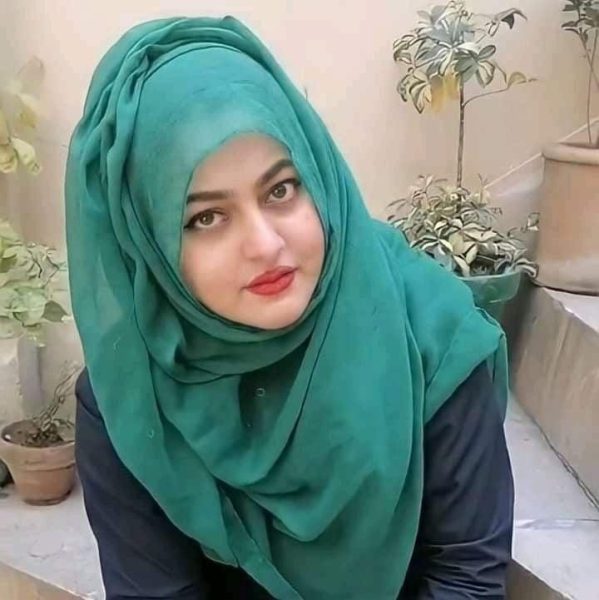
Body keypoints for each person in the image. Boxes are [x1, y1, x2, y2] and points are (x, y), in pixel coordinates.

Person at [65, 16, 514, 600]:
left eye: (280, 189)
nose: (265, 244)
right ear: (148, 244)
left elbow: (465, 576)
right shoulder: (133, 398)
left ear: (318, 177)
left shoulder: (431, 338)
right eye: (206, 217)